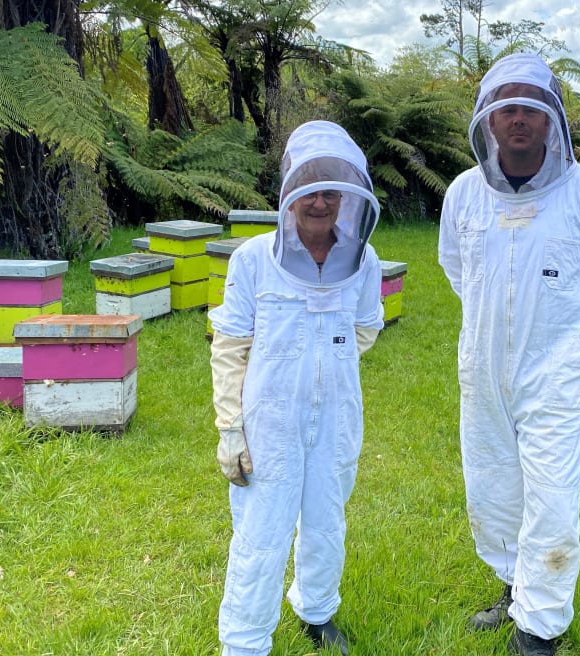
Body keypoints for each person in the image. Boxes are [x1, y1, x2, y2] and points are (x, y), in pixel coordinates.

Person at [438, 53, 580, 656]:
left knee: (550, 495)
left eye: (530, 107)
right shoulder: (464, 195)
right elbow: (456, 271)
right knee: (493, 486)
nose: (518, 118)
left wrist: (565, 330)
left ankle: (539, 628)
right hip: (482, 372)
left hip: (556, 376)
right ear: (488, 123)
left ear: (553, 121)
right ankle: (512, 585)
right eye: (506, 109)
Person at [209, 120, 384, 656]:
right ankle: (244, 642)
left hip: (336, 414)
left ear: (349, 196)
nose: (320, 201)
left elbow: (365, 326)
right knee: (262, 533)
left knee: (328, 520)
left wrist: (323, 360)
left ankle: (316, 610)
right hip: (270, 420)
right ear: (291, 192)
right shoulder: (253, 260)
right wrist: (231, 426)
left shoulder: (364, 260)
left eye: (332, 190)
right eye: (311, 189)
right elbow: (230, 345)